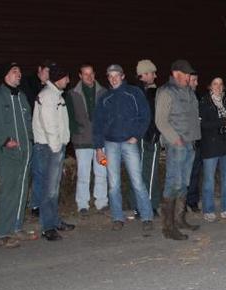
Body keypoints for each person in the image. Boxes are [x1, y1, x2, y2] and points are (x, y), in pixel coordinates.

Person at [93, 64, 154, 234]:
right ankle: (117, 217)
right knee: (113, 184)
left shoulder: (134, 93)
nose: (113, 79)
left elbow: (145, 115)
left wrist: (137, 135)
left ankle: (147, 216)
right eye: (110, 76)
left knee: (137, 181)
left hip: (129, 143)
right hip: (110, 144)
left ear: (122, 76)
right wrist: (98, 148)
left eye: (116, 75)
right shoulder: (104, 98)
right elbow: (97, 124)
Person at [0, 61, 37, 247]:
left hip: (26, 151)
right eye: (15, 71)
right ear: (5, 74)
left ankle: (16, 227)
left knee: (22, 190)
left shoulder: (21, 96)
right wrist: (5, 140)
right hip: (7, 152)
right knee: (8, 191)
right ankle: (4, 232)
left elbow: (29, 120)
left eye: (20, 71)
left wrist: (31, 139)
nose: (19, 74)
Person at [155, 60, 202, 240]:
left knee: (184, 183)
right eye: (186, 74)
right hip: (177, 144)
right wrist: (176, 140)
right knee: (173, 183)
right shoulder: (167, 91)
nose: (189, 77)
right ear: (176, 74)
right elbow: (161, 121)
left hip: (189, 143)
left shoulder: (188, 90)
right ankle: (168, 228)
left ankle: (180, 219)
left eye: (190, 74)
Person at [32, 64, 75, 241]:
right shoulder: (49, 96)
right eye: (66, 77)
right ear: (59, 78)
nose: (68, 80)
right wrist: (57, 148)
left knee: (53, 189)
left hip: (53, 147)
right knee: (48, 190)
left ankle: (54, 221)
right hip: (49, 148)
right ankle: (47, 227)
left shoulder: (55, 94)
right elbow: (49, 125)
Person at [67, 63, 108, 216]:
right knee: (84, 173)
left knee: (102, 170)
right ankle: (82, 203)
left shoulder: (104, 92)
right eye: (85, 74)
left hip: (101, 142)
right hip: (82, 142)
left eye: (91, 73)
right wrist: (76, 131)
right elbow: (69, 116)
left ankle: (101, 201)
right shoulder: (73, 94)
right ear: (80, 75)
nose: (89, 76)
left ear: (94, 74)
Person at [199, 77, 226, 222]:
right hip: (211, 145)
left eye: (221, 84)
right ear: (210, 86)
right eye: (215, 83)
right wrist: (221, 122)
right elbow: (203, 125)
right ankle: (208, 209)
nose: (218, 86)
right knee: (209, 180)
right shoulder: (204, 102)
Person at [21, 59, 54, 218]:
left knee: (46, 171)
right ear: (39, 69)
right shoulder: (28, 84)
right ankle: (35, 204)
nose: (49, 75)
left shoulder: (50, 86)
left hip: (48, 136)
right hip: (34, 135)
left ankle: (43, 202)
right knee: (38, 171)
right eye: (47, 71)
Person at [134, 59, 161, 217]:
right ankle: (147, 206)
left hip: (146, 135)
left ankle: (146, 204)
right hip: (147, 136)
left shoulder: (149, 90)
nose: (155, 76)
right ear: (144, 74)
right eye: (152, 73)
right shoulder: (142, 92)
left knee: (147, 172)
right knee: (147, 172)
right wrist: (153, 133)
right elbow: (149, 115)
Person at [185, 71, 202, 213]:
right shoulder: (180, 98)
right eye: (194, 80)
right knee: (182, 173)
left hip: (197, 141)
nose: (196, 83)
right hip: (183, 141)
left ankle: (192, 200)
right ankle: (181, 202)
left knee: (195, 173)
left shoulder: (198, 97)